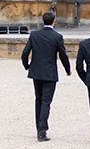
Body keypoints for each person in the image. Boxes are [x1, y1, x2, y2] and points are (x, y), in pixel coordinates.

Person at [20, 11, 71, 141]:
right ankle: (42, 131)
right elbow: (63, 55)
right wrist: (68, 69)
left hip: (36, 72)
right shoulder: (57, 36)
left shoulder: (34, 34)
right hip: (49, 73)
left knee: (38, 100)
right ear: (54, 21)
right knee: (46, 102)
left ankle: (39, 128)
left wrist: (27, 66)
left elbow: (25, 53)